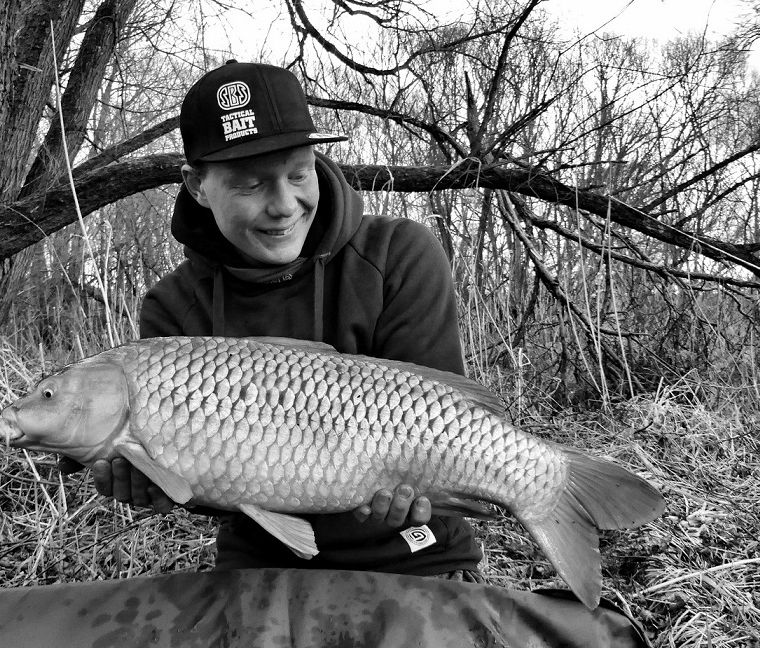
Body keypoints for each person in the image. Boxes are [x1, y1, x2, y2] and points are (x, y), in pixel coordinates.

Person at [63, 59, 484, 578]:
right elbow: (208, 491)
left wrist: (425, 487)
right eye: (251, 185)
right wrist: (162, 484)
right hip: (264, 559)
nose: (284, 206)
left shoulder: (399, 255)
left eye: (297, 174)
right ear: (197, 186)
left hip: (415, 553)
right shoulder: (172, 310)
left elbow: (446, 418)